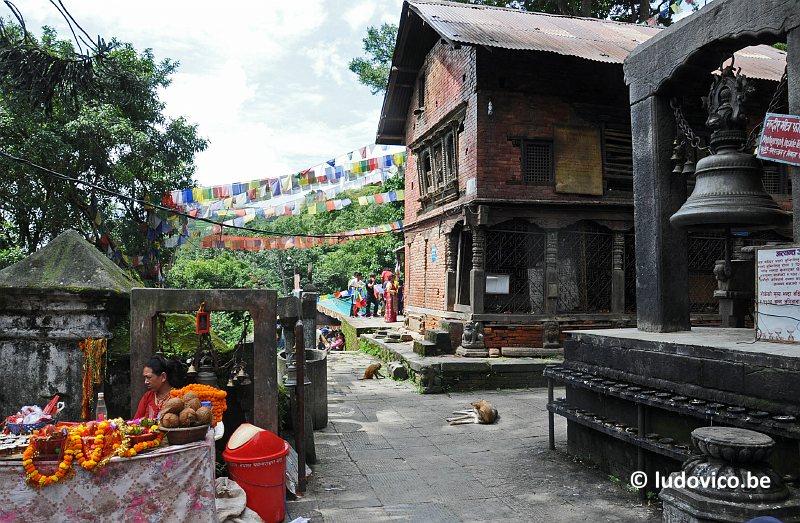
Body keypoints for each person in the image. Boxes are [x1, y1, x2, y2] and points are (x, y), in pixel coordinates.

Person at [134, 354, 179, 419]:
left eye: (149, 377)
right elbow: (135, 422)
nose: (145, 382)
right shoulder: (147, 396)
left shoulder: (178, 397)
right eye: (145, 378)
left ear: (163, 377)